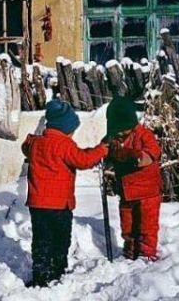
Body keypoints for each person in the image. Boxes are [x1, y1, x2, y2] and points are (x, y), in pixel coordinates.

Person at [22, 98, 109, 287]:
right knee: (60, 239)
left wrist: (32, 141)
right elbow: (83, 160)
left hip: (37, 205)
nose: (72, 135)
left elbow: (26, 147)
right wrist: (101, 150)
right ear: (64, 128)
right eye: (72, 131)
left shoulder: (37, 143)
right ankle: (57, 270)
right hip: (59, 205)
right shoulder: (64, 144)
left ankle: (41, 274)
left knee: (42, 240)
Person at [105, 96, 162, 261]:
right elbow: (105, 148)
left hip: (147, 192)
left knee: (147, 226)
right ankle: (130, 253)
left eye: (123, 129)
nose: (120, 133)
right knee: (127, 225)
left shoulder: (144, 135)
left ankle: (146, 255)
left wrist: (134, 156)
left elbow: (152, 153)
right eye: (117, 130)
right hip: (127, 191)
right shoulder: (114, 138)